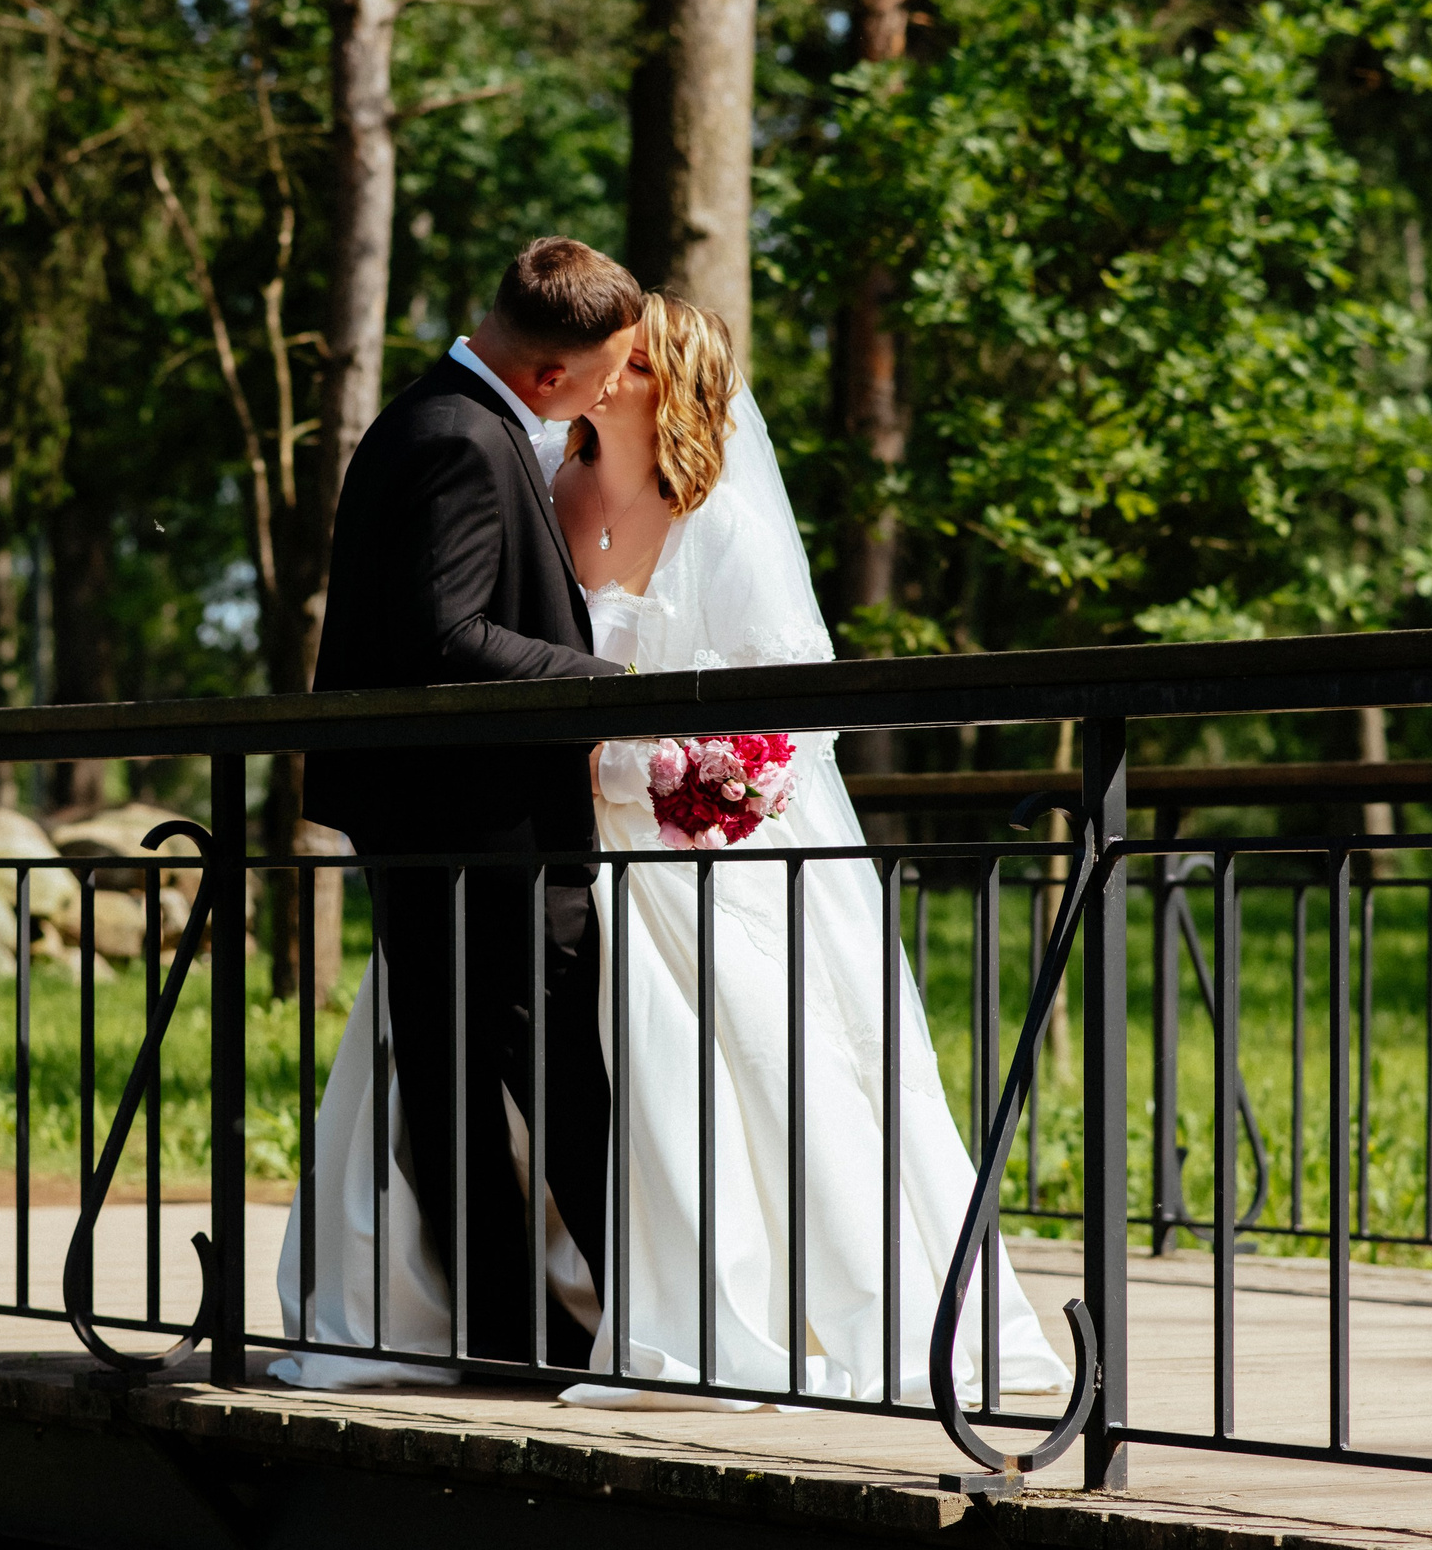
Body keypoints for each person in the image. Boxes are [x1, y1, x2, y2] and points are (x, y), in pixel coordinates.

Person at [277, 285, 1068, 1409]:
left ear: (669, 383)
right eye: (608, 360)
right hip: (539, 831)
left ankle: (706, 1310)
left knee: (687, 1070)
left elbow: (791, 720)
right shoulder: (545, 486)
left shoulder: (724, 527)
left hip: (671, 842)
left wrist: (696, 773)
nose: (607, 378)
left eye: (632, 364)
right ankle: (512, 1314)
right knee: (492, 1065)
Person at [297, 235, 641, 1368]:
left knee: (458, 1079)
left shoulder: (439, 417)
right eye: (600, 378)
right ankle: (633, 1331)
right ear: (550, 375)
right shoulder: (458, 436)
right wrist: (616, 687)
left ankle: (511, 1333)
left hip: (444, 820)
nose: (600, 400)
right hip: (476, 826)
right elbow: (447, 639)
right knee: (552, 1079)